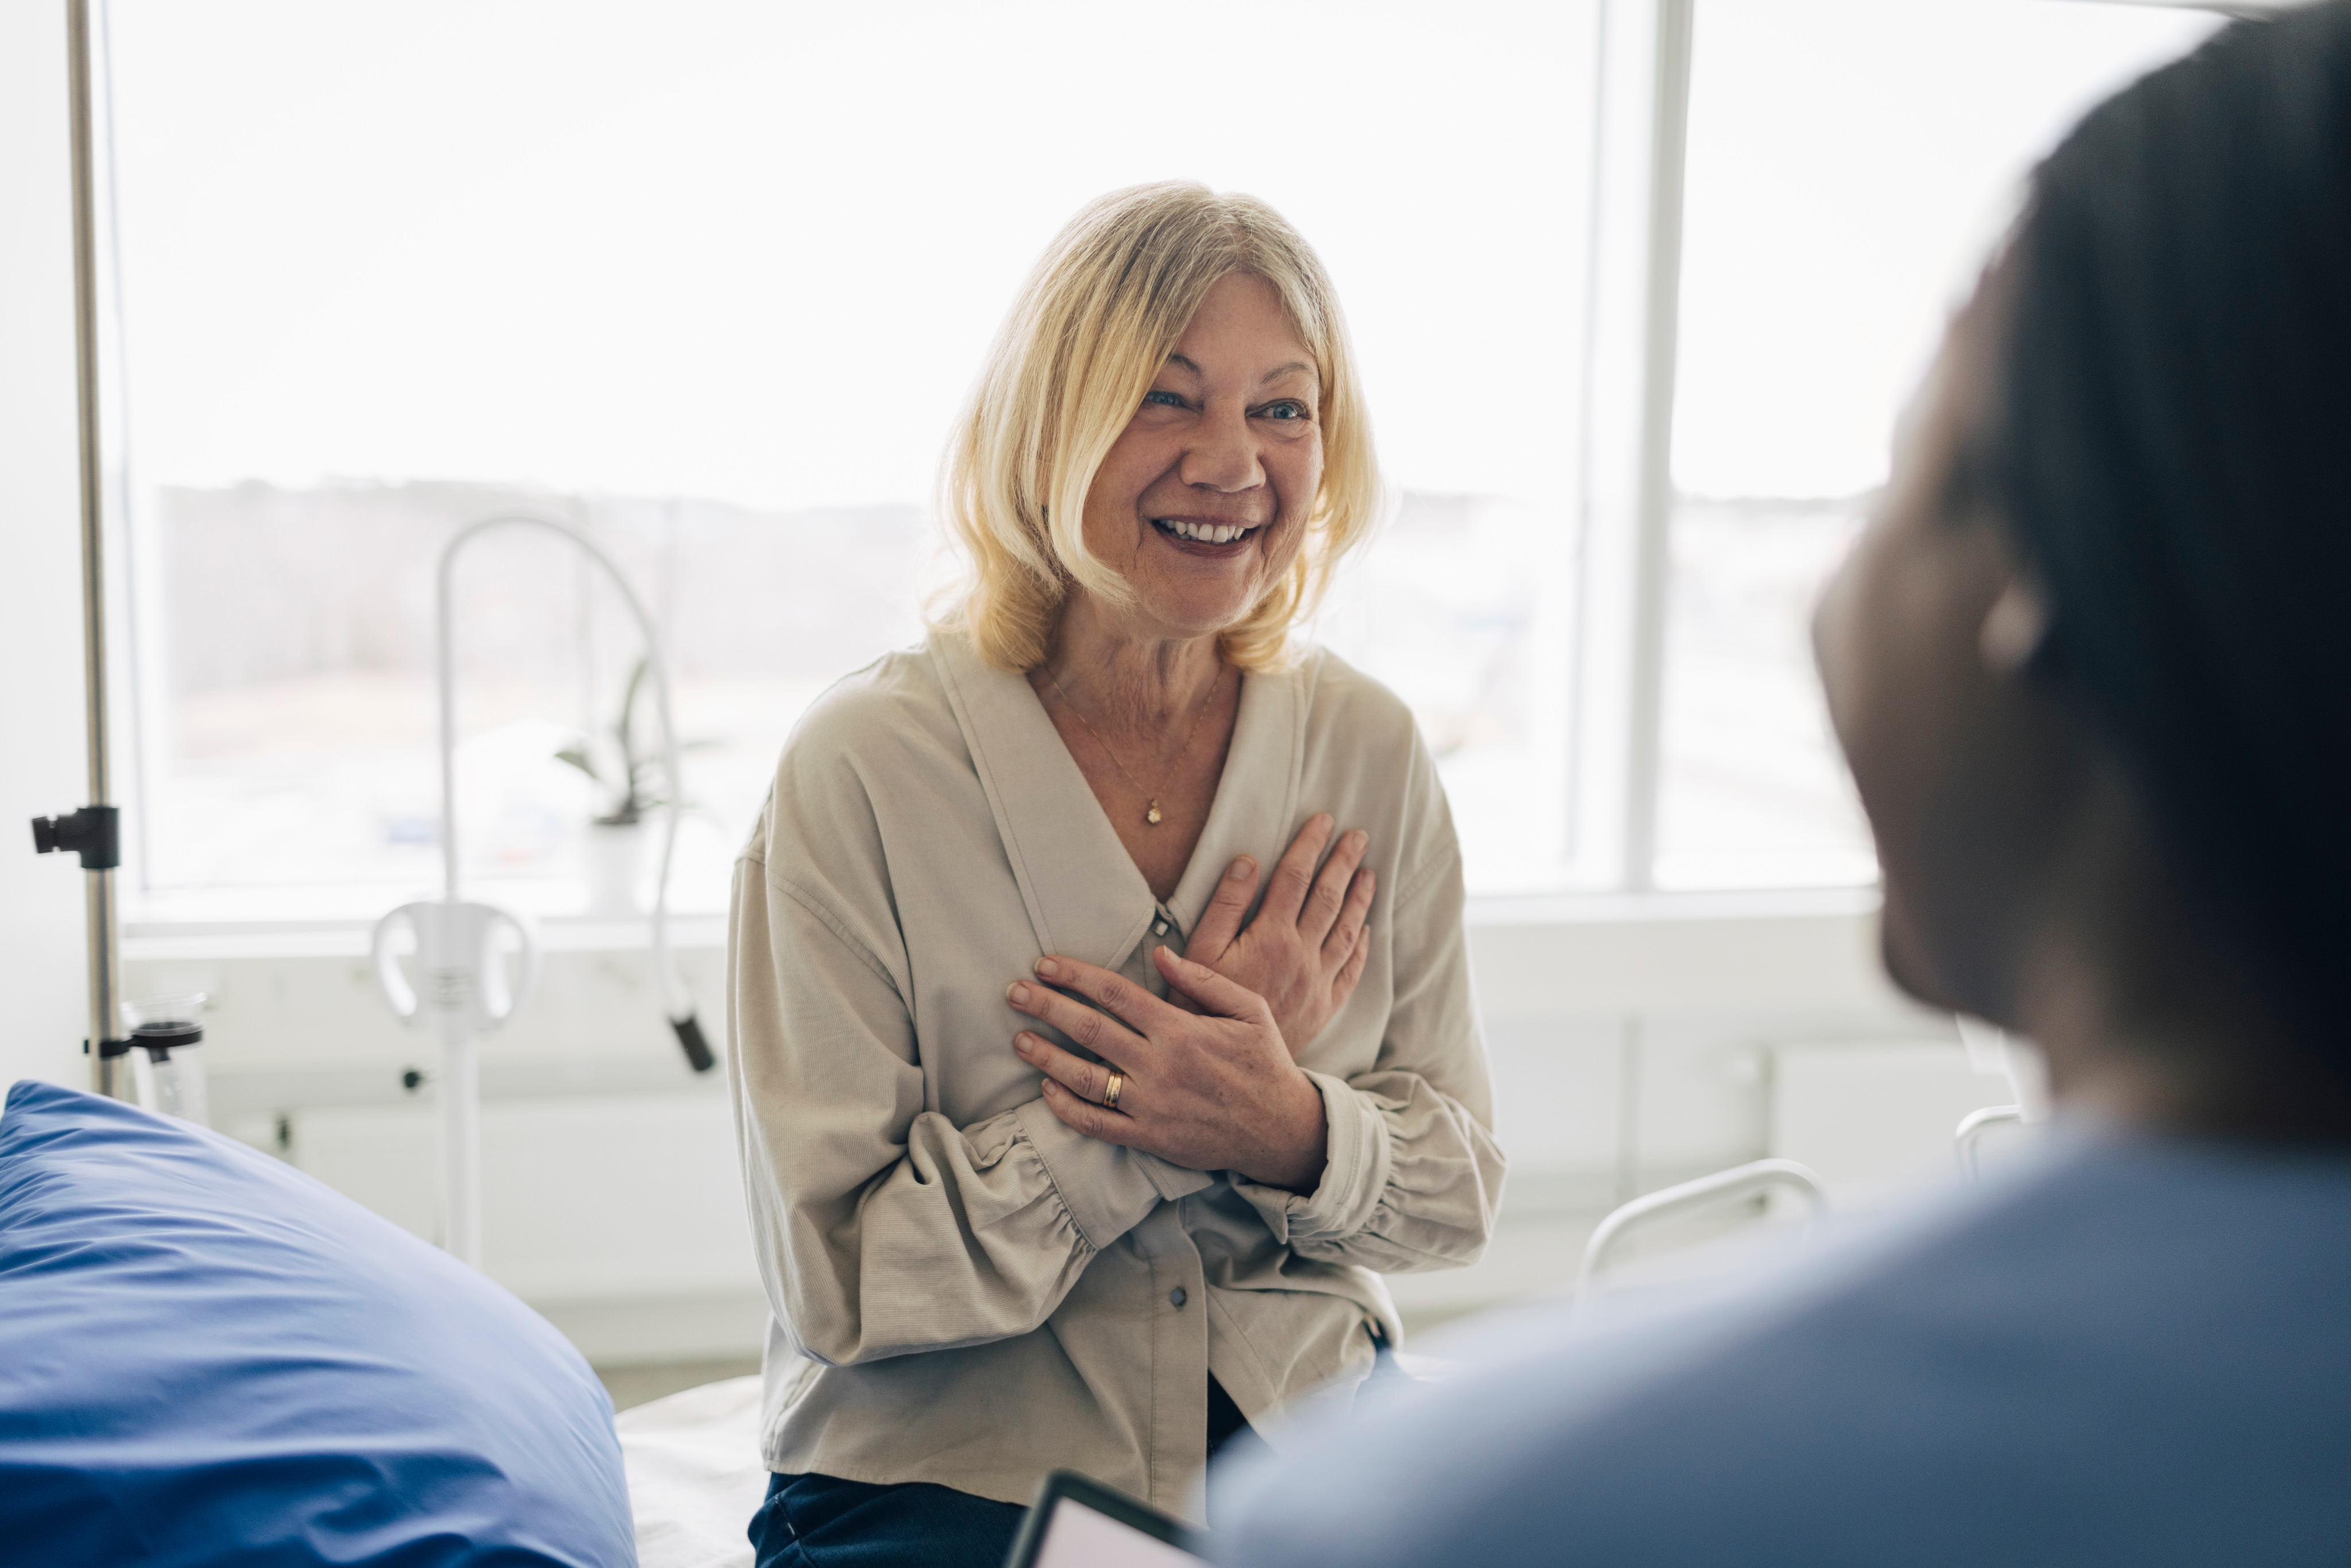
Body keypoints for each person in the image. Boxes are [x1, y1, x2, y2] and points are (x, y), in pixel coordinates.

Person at [1213, 6, 2351, 1564]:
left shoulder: (1468, 1517)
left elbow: (1447, 1180)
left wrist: (1278, 1115)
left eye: (1902, 470)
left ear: (2046, 585)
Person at [726, 181, 1505, 1567]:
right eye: (1165, 398)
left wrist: (1281, 1122)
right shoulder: (864, 770)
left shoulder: (1368, 751)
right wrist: (1160, 1110)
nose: (1232, 464)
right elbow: (843, 1273)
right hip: (948, 1475)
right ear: (1048, 429)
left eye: (1283, 408)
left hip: (1303, 1434)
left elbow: (1454, 1192)